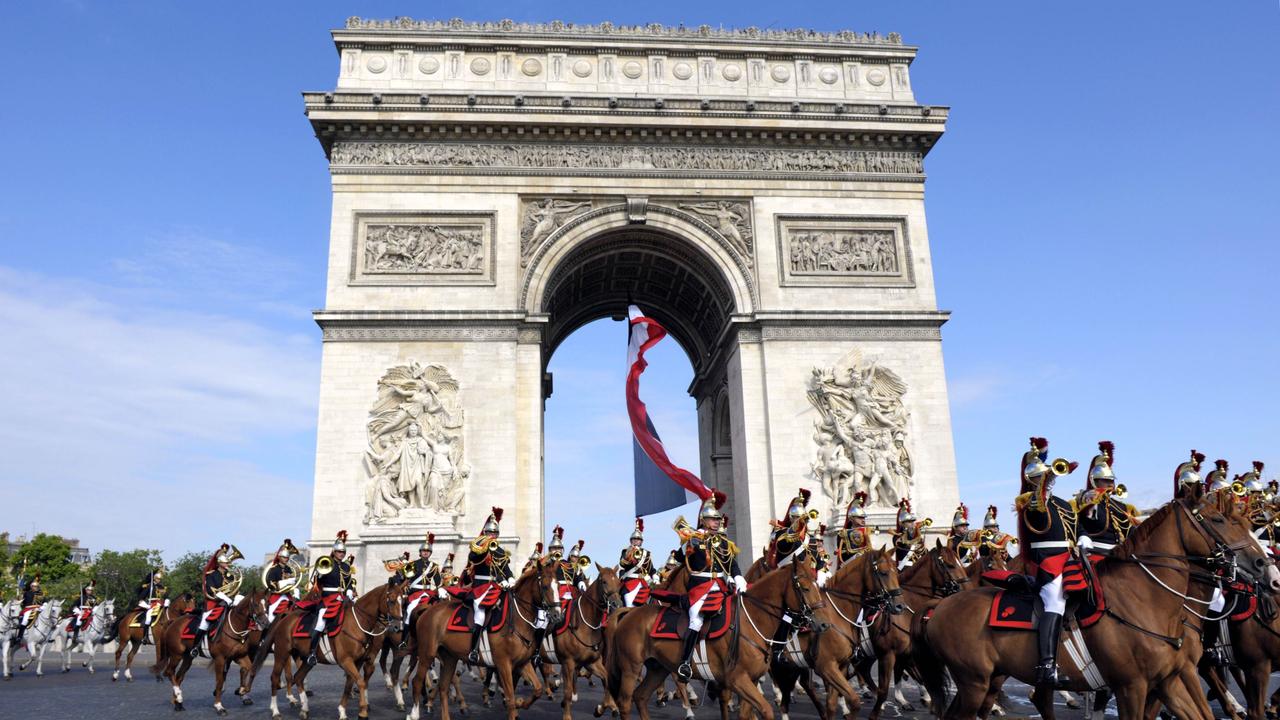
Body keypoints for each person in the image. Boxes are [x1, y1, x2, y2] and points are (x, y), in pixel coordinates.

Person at [1014, 437, 1080, 686]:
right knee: (1055, 600)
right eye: (1042, 477)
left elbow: (1076, 524)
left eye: (1049, 477)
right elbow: (1040, 504)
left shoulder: (1062, 503)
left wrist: (1082, 537)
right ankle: (1047, 664)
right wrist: (1049, 475)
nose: (1049, 480)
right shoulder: (1030, 502)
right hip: (1048, 562)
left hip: (1071, 557)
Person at [674, 492, 745, 681]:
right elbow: (680, 559)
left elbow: (731, 563)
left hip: (721, 586)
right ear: (703, 521)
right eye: (713, 520)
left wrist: (738, 578)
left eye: (717, 519)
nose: (717, 522)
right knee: (696, 621)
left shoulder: (722, 541)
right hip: (700, 588)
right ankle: (685, 663)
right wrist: (686, 545)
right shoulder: (694, 538)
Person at [462, 508, 513, 664]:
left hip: (496, 588)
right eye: (490, 533)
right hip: (481, 587)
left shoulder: (500, 551)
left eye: (495, 534)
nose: (493, 536)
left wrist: (510, 579)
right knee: (480, 613)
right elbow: (473, 560)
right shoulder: (477, 548)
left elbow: (506, 569)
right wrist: (484, 549)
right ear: (485, 533)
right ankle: (474, 650)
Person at [1074, 442, 1140, 557]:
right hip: (1096, 554)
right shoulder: (1088, 500)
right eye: (1106, 480)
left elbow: (1129, 532)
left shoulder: (1120, 506)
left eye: (1112, 481)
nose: (1110, 484)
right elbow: (1079, 520)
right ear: (1095, 481)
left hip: (1120, 555)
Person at [305, 531, 356, 667]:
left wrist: (350, 591)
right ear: (334, 552)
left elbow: (349, 581)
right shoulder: (327, 563)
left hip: (343, 598)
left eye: (343, 552)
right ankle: (312, 653)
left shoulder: (345, 566)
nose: (341, 554)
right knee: (320, 623)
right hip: (328, 599)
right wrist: (320, 573)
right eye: (339, 552)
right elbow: (317, 581)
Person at [190, 544, 238, 657]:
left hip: (228, 602)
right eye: (225, 562)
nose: (227, 564)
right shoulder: (211, 575)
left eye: (227, 562)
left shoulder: (230, 575)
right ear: (220, 563)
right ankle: (195, 647)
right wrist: (226, 598)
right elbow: (212, 590)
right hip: (215, 603)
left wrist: (234, 597)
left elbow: (234, 588)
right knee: (204, 623)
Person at [401, 533, 442, 648]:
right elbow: (405, 579)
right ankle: (404, 640)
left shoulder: (434, 566)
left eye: (427, 551)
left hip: (429, 593)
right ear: (420, 552)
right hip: (415, 593)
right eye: (423, 551)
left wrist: (441, 589)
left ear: (430, 553)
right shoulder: (412, 564)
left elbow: (438, 582)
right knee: (409, 611)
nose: (425, 552)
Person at [766, 489, 813, 569]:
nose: (799, 520)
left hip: (804, 573)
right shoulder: (781, 533)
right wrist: (794, 529)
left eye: (801, 518)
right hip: (786, 572)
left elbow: (815, 558)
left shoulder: (810, 538)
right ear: (791, 518)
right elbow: (783, 545)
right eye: (796, 517)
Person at [618, 518, 657, 607]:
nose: (636, 540)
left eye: (638, 539)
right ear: (631, 540)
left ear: (641, 541)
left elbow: (651, 568)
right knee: (629, 604)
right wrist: (629, 556)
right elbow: (622, 564)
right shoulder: (625, 551)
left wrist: (655, 576)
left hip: (644, 582)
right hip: (630, 582)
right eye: (634, 539)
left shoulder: (646, 553)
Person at [264, 539, 301, 625]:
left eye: (287, 557)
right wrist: (286, 582)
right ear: (279, 557)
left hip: (287, 595)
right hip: (276, 596)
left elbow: (294, 584)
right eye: (284, 557)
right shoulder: (274, 569)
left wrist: (296, 593)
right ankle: (266, 634)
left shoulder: (289, 569)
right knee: (271, 616)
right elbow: (271, 584)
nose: (286, 559)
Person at [835, 492, 872, 568]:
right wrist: (857, 556)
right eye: (860, 517)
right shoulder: (842, 534)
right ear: (851, 518)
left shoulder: (867, 531)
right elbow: (842, 554)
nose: (863, 520)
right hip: (849, 565)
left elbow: (869, 549)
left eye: (864, 518)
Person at [891, 499, 930, 569]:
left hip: (918, 566)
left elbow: (923, 551)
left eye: (912, 521)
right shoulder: (897, 536)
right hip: (905, 567)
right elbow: (906, 546)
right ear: (902, 523)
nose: (912, 523)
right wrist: (915, 545)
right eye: (909, 522)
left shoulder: (914, 534)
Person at [134, 566, 167, 644]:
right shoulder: (150, 587)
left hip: (161, 604)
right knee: (148, 618)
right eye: (157, 579)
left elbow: (165, 596)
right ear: (154, 578)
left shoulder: (161, 587)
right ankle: (144, 636)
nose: (159, 580)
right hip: (152, 605)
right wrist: (147, 605)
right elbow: (141, 597)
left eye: (160, 579)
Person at [68, 578, 97, 647]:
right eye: (88, 590)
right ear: (86, 590)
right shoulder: (81, 597)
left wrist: (95, 610)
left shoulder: (94, 598)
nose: (90, 591)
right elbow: (74, 605)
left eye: (91, 590)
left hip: (91, 612)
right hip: (82, 612)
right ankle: (75, 635)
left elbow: (96, 606)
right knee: (79, 621)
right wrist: (79, 612)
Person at [16, 573, 44, 642]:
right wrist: (36, 606)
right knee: (25, 621)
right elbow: (27, 605)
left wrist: (42, 606)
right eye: (35, 587)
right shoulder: (27, 593)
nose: (36, 588)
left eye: (37, 587)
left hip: (38, 608)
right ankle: (19, 636)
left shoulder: (39, 593)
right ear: (31, 587)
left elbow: (42, 602)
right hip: (28, 609)